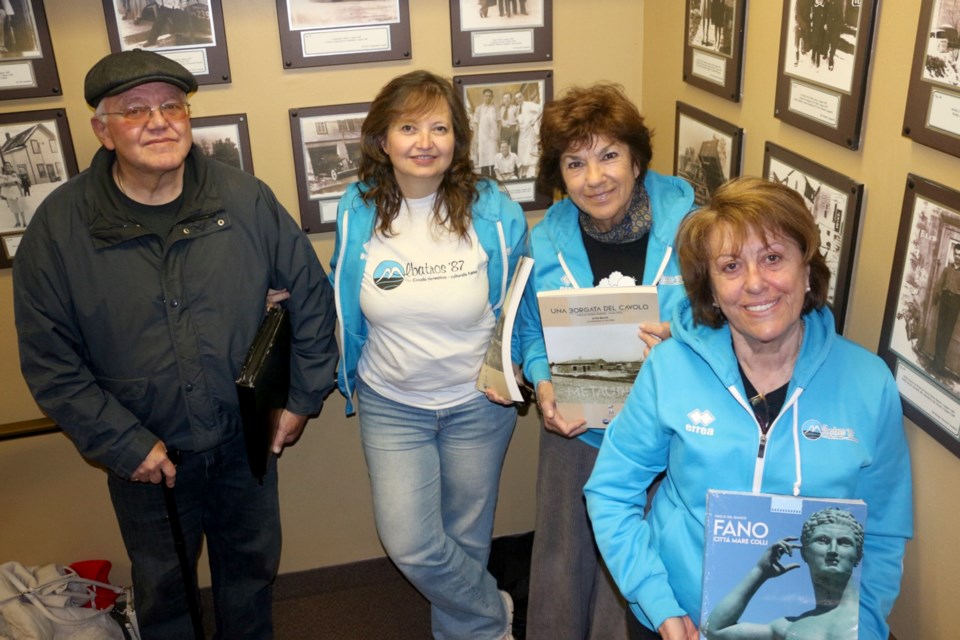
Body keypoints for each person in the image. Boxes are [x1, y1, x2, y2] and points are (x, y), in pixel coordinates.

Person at [13, 49, 338, 639]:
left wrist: (299, 400)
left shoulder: (246, 201)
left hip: (247, 442)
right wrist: (125, 444)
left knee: (252, 575)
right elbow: (50, 362)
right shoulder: (59, 230)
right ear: (102, 130)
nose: (158, 121)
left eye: (170, 106)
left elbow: (312, 299)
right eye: (134, 110)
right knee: (165, 591)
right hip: (148, 455)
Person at [584, 176, 913, 640]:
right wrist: (656, 602)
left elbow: (883, 531)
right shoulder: (670, 369)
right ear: (711, 287)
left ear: (806, 269)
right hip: (680, 623)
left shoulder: (868, 383)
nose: (756, 284)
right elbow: (611, 492)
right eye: (731, 266)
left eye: (773, 258)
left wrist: (863, 629)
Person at [328, 69, 528, 640]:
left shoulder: (491, 208)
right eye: (408, 126)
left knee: (465, 540)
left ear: (457, 140)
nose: (424, 141)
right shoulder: (358, 207)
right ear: (382, 139)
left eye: (439, 127)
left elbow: (522, 296)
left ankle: (471, 636)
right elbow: (342, 286)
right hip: (394, 404)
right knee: (411, 543)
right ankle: (493, 612)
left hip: (477, 404)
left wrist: (513, 362)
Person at [515, 83, 695, 640]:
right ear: (559, 174)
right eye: (575, 163)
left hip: (671, 435)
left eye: (609, 155)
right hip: (580, 431)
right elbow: (529, 332)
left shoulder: (694, 228)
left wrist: (681, 336)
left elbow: (727, 316)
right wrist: (544, 387)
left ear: (637, 159)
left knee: (655, 571)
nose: (594, 178)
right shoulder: (545, 242)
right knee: (566, 568)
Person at [703, 508, 864, 640]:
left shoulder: (865, 615)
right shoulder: (790, 627)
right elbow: (715, 630)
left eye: (844, 542)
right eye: (822, 540)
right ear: (804, 553)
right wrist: (760, 571)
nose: (833, 550)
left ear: (858, 555)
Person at [932, 242, 960, 374]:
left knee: (947, 334)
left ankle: (940, 364)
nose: (957, 257)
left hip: (955, 302)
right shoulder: (947, 269)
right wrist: (936, 298)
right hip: (944, 300)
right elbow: (939, 284)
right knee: (940, 331)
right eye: (955, 254)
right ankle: (935, 361)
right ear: (953, 254)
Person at [473, 87, 500, 178]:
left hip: (493, 136)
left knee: (493, 156)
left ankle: (493, 178)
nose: (488, 98)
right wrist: (476, 137)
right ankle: (485, 178)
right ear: (483, 97)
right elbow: (475, 123)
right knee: (483, 157)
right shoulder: (479, 108)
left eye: (489, 96)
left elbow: (499, 121)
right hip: (483, 137)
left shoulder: (495, 107)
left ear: (492, 97)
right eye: (486, 96)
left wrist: (498, 134)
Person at [515, 90, 541, 179]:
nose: (518, 99)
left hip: (530, 132)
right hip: (522, 134)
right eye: (516, 98)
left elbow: (541, 108)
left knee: (531, 153)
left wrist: (534, 120)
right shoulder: (518, 108)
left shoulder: (529, 104)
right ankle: (525, 175)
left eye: (520, 97)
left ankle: (533, 175)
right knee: (522, 154)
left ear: (523, 97)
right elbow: (519, 120)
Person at [0, 160, 25, 227]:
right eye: (5, 166)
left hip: (15, 191)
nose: (7, 167)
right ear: (4, 167)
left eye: (8, 165)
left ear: (10, 166)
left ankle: (24, 222)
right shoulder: (2, 175)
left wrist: (21, 192)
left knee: (20, 206)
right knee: (13, 207)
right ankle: (18, 222)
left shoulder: (14, 173)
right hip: (8, 192)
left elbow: (18, 182)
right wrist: (6, 184)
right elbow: (1, 184)